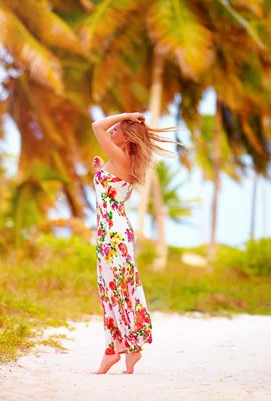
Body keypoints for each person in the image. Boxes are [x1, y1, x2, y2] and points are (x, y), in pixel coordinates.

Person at [90, 112, 182, 374]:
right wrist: (100, 171)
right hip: (115, 231)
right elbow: (112, 194)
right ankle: (128, 350)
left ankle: (116, 350)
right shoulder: (122, 161)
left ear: (127, 136)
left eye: (116, 129)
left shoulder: (122, 158)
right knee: (116, 288)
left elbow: (97, 125)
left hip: (113, 234)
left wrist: (129, 115)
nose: (110, 131)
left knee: (114, 289)